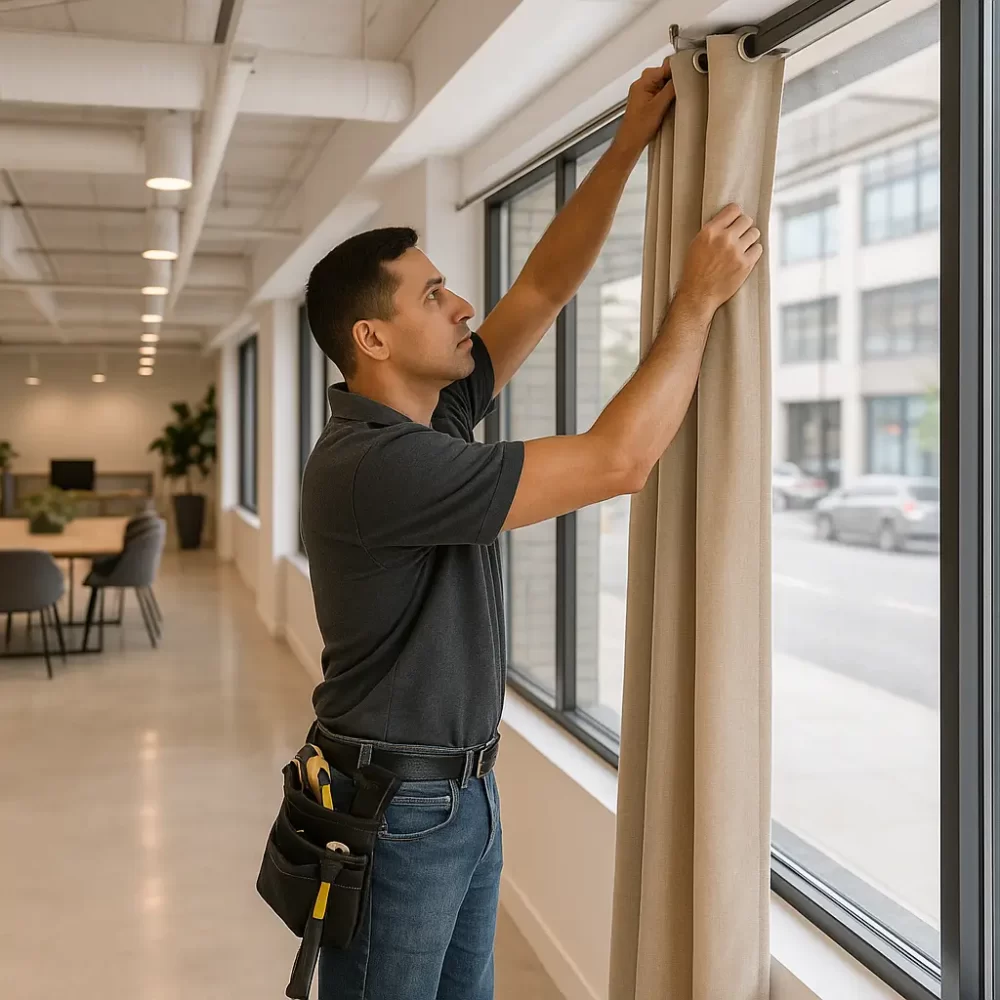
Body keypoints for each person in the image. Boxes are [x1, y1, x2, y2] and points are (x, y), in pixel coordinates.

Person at [299, 59, 761, 1000]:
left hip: (456, 790)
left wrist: (627, 143)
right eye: (432, 295)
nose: (462, 303)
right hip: (399, 804)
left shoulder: (424, 419)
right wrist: (698, 300)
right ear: (372, 341)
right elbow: (617, 461)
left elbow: (544, 288)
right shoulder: (378, 466)